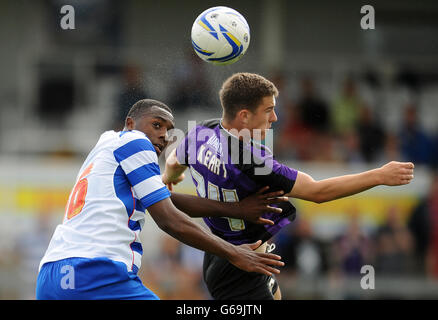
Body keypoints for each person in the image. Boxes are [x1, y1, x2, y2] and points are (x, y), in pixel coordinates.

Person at [163, 72, 415, 300]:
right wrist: (380, 175)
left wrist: (170, 178)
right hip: (241, 265)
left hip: (221, 253)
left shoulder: (202, 132)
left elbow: (174, 161)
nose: (275, 117)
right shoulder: (252, 161)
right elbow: (318, 192)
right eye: (268, 110)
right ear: (244, 115)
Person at [35, 99, 287, 300]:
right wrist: (233, 252)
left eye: (168, 130)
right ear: (130, 123)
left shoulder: (106, 145)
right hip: (96, 272)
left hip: (51, 275)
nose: (164, 135)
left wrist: (238, 210)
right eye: (157, 125)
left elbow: (167, 200)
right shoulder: (136, 142)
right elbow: (168, 219)